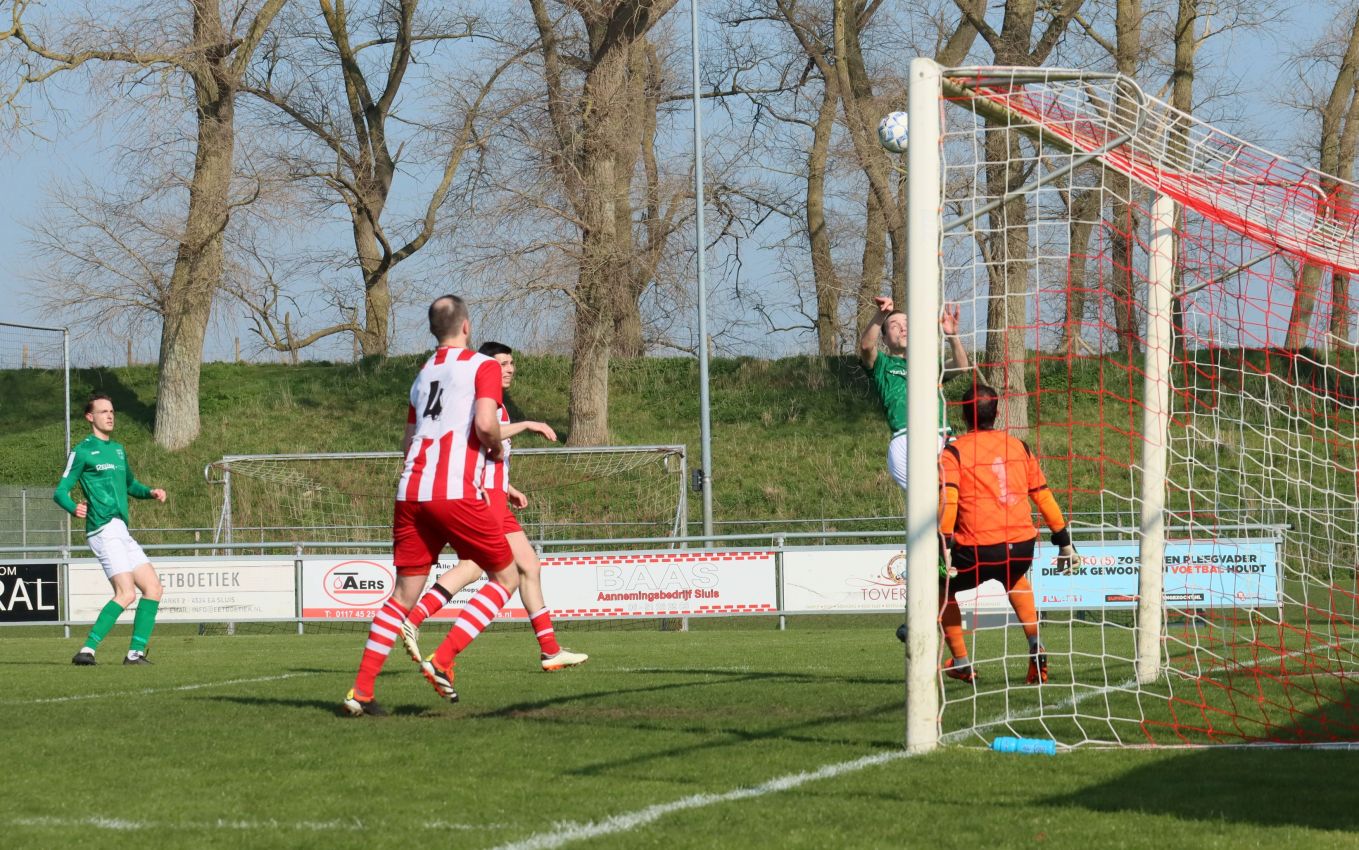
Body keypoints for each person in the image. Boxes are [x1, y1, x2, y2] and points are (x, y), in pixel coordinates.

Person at [343, 294, 521, 717]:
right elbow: (486, 424)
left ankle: (361, 692)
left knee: (402, 595)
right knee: (506, 576)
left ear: (432, 330)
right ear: (467, 327)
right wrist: (495, 451)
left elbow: (408, 442)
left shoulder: (421, 376)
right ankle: (443, 658)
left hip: (410, 492)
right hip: (454, 492)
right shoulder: (483, 366)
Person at [398, 341, 588, 672]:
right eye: (502, 364)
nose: (510, 369)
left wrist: (507, 487)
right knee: (478, 567)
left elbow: (482, 454)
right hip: (484, 499)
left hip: (495, 496)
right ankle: (416, 622)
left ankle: (550, 650)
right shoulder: (483, 402)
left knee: (528, 566)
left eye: (511, 363)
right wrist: (528, 424)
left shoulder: (494, 402)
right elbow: (487, 432)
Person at [936, 384, 1078, 685]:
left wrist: (945, 544)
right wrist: (1064, 542)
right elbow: (1042, 495)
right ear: (997, 412)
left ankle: (961, 662)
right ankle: (1035, 644)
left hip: (977, 548)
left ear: (963, 415)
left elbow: (949, 500)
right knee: (1015, 579)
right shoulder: (1019, 447)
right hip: (1021, 547)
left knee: (940, 589)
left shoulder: (953, 452)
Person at [55, 392, 167, 666]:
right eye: (103, 411)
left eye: (112, 411)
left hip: (121, 530)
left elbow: (130, 485)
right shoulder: (82, 451)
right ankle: (87, 650)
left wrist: (149, 492)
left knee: (153, 588)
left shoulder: (118, 450)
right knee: (126, 593)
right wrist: (73, 507)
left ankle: (134, 654)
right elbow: (60, 491)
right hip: (102, 529)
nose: (109, 416)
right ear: (89, 417)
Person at [858, 295, 970, 495]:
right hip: (906, 440)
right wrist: (881, 314)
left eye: (907, 324)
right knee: (930, 500)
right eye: (894, 325)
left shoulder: (928, 363)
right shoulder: (882, 364)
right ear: (884, 338)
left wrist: (953, 336)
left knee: (961, 500)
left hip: (942, 436)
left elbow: (961, 366)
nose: (903, 328)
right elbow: (866, 346)